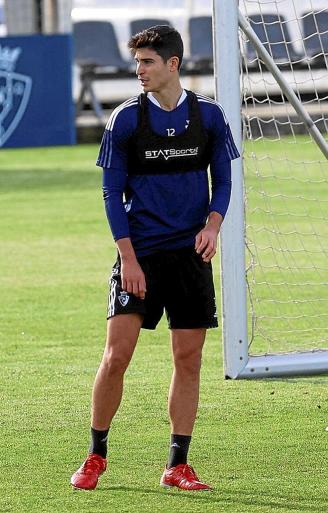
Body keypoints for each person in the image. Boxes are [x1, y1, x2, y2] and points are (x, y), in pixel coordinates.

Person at [71, 25, 239, 492]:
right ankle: (95, 455)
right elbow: (110, 194)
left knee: (188, 358)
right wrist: (128, 257)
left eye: (147, 62)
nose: (139, 71)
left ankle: (177, 464)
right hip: (139, 255)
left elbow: (223, 181)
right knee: (116, 355)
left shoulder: (209, 116)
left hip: (190, 257)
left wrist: (212, 225)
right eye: (136, 63)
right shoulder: (125, 120)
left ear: (172, 64)